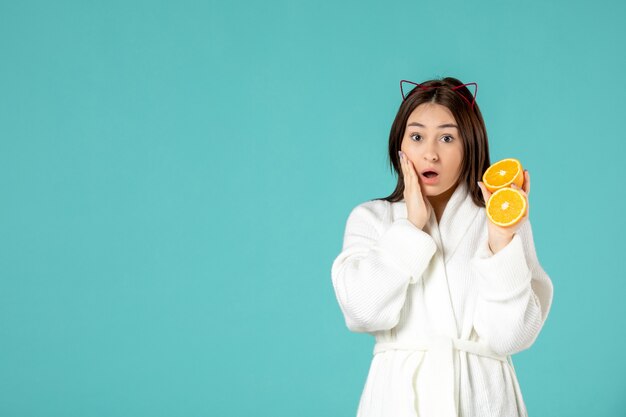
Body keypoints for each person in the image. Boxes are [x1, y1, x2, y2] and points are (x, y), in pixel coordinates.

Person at [330, 77, 554, 417]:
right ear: (399, 145)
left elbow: (511, 338)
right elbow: (362, 311)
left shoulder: (501, 223)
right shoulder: (373, 219)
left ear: (471, 146)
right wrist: (409, 227)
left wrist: (500, 240)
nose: (430, 153)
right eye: (417, 136)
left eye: (447, 138)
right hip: (397, 401)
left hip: (484, 400)